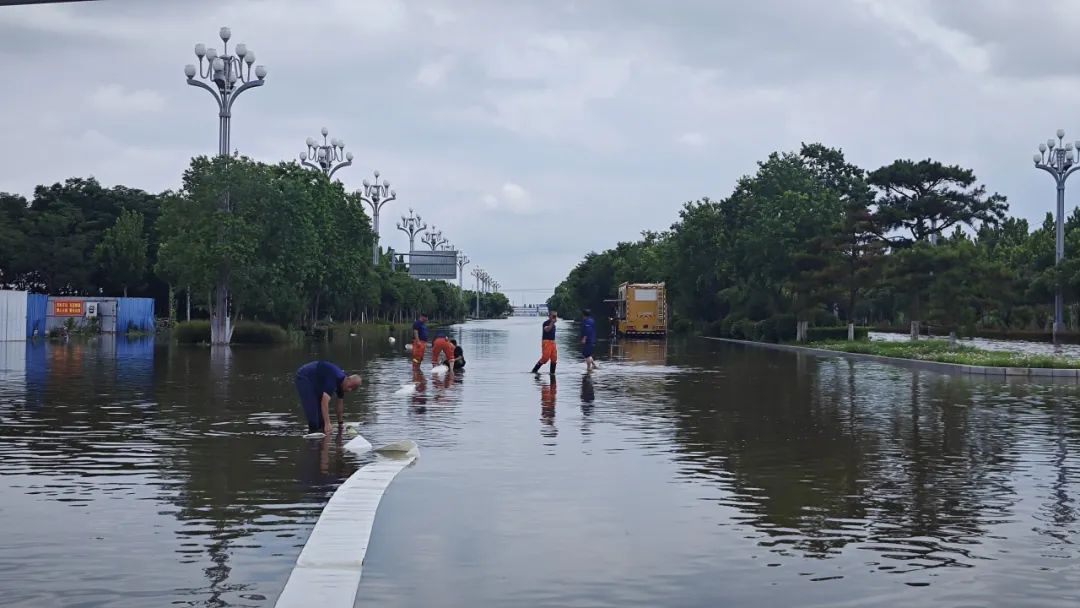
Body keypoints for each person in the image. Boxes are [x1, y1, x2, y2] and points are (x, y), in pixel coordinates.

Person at [294, 360, 362, 434]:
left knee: (322, 423)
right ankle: (312, 441)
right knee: (314, 421)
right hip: (305, 376)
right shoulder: (335, 378)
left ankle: (322, 442)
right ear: (348, 379)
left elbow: (339, 405)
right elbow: (324, 402)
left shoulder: (342, 383)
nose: (349, 390)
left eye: (352, 389)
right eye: (350, 387)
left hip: (317, 380)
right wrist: (328, 423)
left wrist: (340, 424)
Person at [531, 310, 558, 375]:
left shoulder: (554, 325)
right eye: (553, 316)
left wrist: (553, 323)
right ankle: (534, 370)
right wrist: (552, 322)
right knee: (545, 358)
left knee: (554, 358)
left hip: (553, 342)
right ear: (549, 316)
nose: (555, 317)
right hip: (546, 342)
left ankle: (552, 373)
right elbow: (547, 329)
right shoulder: (546, 323)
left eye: (556, 316)